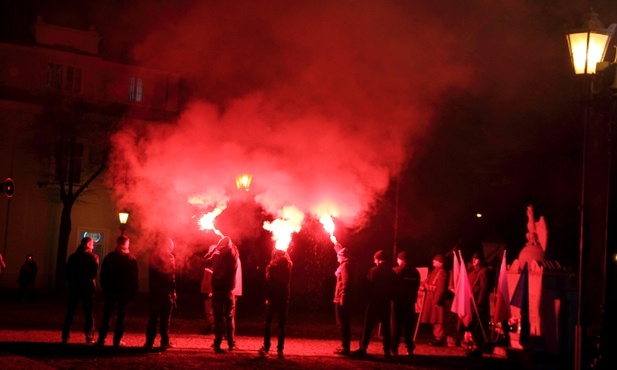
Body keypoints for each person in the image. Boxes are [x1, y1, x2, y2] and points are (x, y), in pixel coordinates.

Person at [352, 250, 396, 358]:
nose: (374, 261)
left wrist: (365, 298)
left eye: (375, 259)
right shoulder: (392, 272)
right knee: (386, 327)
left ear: (378, 259)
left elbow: (367, 286)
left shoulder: (374, 271)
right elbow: (394, 288)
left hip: (374, 301)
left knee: (368, 326)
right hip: (385, 302)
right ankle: (387, 350)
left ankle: (363, 348)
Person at [96, 235, 138, 347]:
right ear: (126, 244)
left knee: (107, 315)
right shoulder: (131, 258)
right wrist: (133, 290)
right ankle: (117, 341)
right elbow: (134, 277)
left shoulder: (110, 257)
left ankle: (101, 339)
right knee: (121, 317)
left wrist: (105, 287)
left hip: (111, 291)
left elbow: (103, 274)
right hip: (124, 292)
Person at [61, 237, 99, 344]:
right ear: (88, 245)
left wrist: (72, 281)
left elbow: (67, 272)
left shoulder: (73, 257)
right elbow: (93, 274)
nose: (93, 245)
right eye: (92, 244)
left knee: (70, 312)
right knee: (88, 312)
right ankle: (89, 336)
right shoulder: (93, 257)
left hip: (74, 286)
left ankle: (65, 336)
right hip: (87, 287)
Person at [205, 236, 240, 353]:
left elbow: (205, 262)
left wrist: (214, 250)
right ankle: (231, 344)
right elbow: (235, 249)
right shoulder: (233, 255)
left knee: (218, 317)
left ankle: (217, 343)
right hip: (228, 291)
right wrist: (229, 243)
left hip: (218, 290)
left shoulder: (216, 255)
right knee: (230, 317)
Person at [259, 249, 293, 358]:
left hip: (273, 299)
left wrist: (267, 297)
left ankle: (266, 347)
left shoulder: (271, 267)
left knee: (268, 323)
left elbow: (268, 284)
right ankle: (280, 350)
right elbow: (289, 260)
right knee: (281, 325)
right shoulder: (288, 266)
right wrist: (285, 252)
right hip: (284, 298)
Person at [144, 237, 177, 350]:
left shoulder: (153, 255)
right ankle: (164, 341)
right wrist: (173, 292)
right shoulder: (169, 257)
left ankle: (149, 342)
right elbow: (171, 277)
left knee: (153, 318)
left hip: (154, 291)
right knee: (165, 318)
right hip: (165, 293)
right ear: (168, 246)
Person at [390, 251, 421, 356]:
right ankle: (410, 348)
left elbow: (392, 287)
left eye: (398, 259)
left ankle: (394, 348)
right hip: (410, 302)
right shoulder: (415, 272)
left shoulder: (396, 271)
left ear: (401, 260)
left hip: (397, 302)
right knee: (409, 326)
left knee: (396, 325)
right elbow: (416, 287)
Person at [419, 253, 449, 346]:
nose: (433, 261)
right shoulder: (434, 271)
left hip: (436, 299)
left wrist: (437, 300)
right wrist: (423, 285)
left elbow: (441, 289)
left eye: (435, 260)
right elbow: (426, 281)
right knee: (433, 319)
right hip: (430, 298)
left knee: (438, 319)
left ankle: (439, 338)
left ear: (440, 263)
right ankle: (436, 336)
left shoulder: (442, 272)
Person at [465, 252, 490, 357]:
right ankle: (475, 346)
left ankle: (478, 348)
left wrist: (480, 302)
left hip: (479, 305)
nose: (474, 261)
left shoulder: (483, 272)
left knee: (479, 327)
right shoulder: (473, 271)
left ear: (481, 260)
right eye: (473, 259)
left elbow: (484, 289)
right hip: (472, 303)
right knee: (473, 326)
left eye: (477, 259)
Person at [333, 245, 355, 356]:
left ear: (343, 257)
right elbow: (340, 250)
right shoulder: (345, 264)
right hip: (342, 298)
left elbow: (346, 282)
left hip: (342, 299)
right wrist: (334, 242)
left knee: (343, 324)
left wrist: (343, 297)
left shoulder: (345, 266)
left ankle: (345, 348)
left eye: (338, 256)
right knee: (342, 324)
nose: (337, 258)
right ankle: (344, 346)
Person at [200, 246, 215, 334]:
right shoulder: (208, 261)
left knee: (210, 310)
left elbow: (213, 278)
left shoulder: (213, 262)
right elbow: (203, 262)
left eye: (210, 250)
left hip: (210, 290)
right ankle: (210, 326)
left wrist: (211, 290)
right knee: (208, 310)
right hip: (206, 289)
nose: (209, 251)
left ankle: (212, 327)